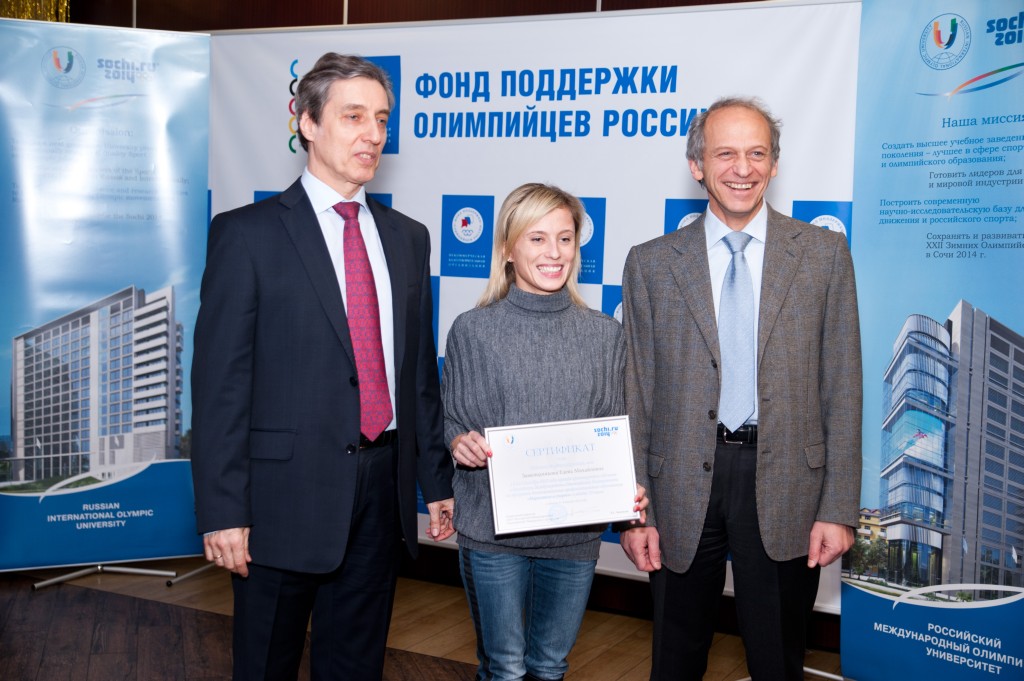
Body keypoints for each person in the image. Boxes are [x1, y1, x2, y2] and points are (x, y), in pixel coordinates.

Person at [190, 52, 455, 681]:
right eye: (353, 116)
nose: (373, 134)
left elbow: (417, 377)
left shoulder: (408, 237)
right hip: (281, 500)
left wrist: (436, 481)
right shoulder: (247, 235)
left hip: (381, 493)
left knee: (356, 665)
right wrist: (223, 510)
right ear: (307, 123)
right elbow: (220, 386)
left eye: (382, 119)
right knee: (266, 665)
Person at [619, 97, 862, 680]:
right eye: (725, 153)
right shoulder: (651, 264)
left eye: (757, 154)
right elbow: (636, 394)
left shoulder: (823, 256)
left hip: (787, 485)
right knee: (674, 662)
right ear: (697, 165)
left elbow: (843, 386)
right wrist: (632, 513)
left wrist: (837, 508)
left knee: (777, 661)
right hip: (677, 486)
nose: (742, 168)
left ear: (774, 164)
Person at [443, 182, 647, 681]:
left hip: (573, 537)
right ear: (508, 249)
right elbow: (453, 419)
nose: (554, 253)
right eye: (537, 238)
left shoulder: (605, 334)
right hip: (491, 532)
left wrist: (626, 488)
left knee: (550, 667)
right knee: (506, 669)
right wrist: (458, 442)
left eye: (564, 238)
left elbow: (614, 429)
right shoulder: (472, 329)